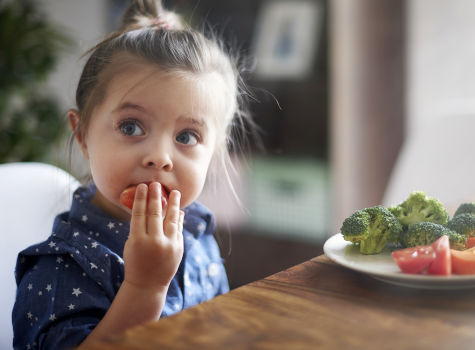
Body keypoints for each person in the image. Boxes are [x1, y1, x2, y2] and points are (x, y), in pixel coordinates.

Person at [12, 0, 254, 348]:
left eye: (186, 137)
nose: (159, 157)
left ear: (214, 154)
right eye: (131, 126)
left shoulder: (198, 234)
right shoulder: (61, 267)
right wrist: (145, 287)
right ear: (82, 136)